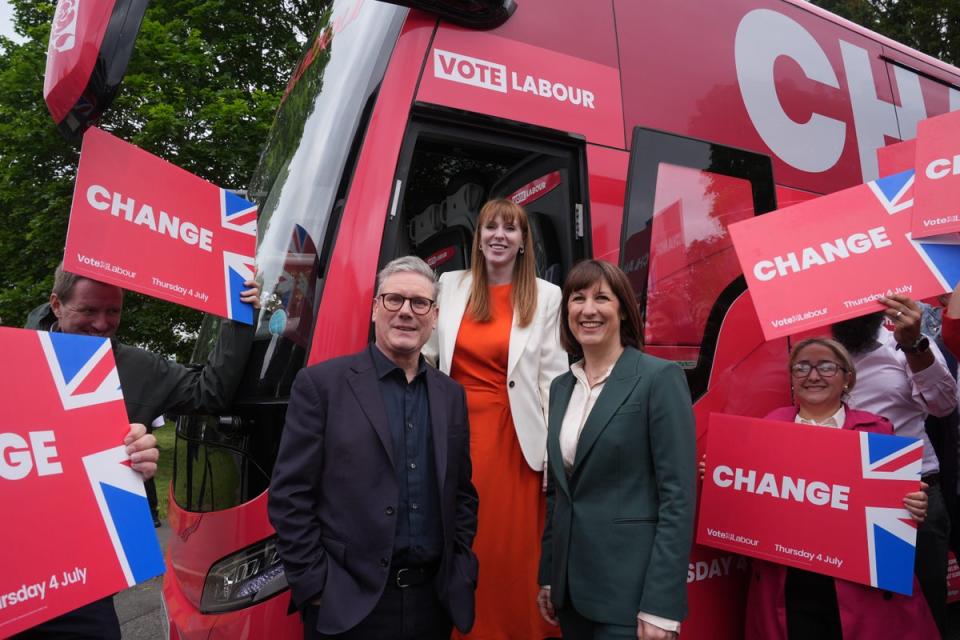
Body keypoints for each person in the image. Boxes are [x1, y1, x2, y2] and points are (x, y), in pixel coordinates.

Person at [18, 263, 260, 640]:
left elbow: (209, 392)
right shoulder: (13, 361)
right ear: (57, 304)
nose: (102, 323)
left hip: (84, 590)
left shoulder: (136, 366)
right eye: (88, 311)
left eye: (112, 311)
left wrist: (239, 318)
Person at [268, 256, 478, 640]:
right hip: (348, 606)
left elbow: (462, 493)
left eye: (419, 303)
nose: (405, 313)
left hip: (432, 603)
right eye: (394, 299)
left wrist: (461, 568)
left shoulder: (452, 396)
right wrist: (316, 586)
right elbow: (289, 496)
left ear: (433, 317)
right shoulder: (321, 386)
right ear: (375, 308)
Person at [425, 198, 567, 639]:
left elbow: (552, 381)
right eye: (490, 227)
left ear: (524, 241)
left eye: (510, 228)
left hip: (514, 439)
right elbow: (425, 353)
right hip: (450, 431)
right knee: (456, 540)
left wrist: (554, 455)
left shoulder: (547, 296)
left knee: (508, 552)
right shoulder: (448, 285)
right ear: (479, 237)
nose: (499, 236)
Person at [536, 259, 696, 640]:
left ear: (622, 309)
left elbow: (678, 499)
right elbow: (560, 493)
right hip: (571, 595)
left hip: (632, 598)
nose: (588, 309)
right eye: (578, 298)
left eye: (601, 298)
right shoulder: (561, 387)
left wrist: (661, 605)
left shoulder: (658, 379)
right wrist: (549, 574)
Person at [743, 337, 937, 639]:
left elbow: (893, 513)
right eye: (802, 367)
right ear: (792, 378)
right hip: (792, 583)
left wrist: (912, 506)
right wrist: (720, 474)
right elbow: (750, 503)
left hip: (859, 589)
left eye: (826, 366)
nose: (813, 375)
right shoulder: (768, 427)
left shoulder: (878, 430)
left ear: (848, 378)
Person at [831, 295, 957, 636]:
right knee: (866, 607)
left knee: (925, 601)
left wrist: (914, 344)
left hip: (914, 490)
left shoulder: (905, 343)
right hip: (848, 494)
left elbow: (945, 406)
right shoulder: (819, 355)